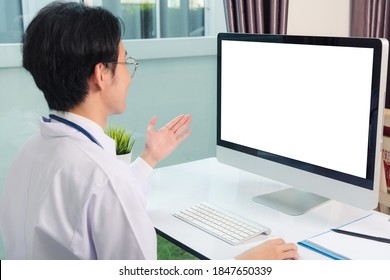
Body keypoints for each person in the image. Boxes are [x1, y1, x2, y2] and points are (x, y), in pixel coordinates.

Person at [0, 1, 298, 260]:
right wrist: (244, 264)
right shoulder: (105, 178)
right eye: (125, 61)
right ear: (101, 74)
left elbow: (96, 205)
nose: (129, 73)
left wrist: (148, 159)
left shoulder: (32, 152)